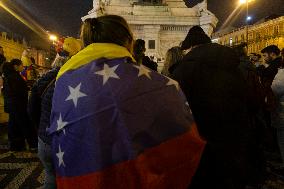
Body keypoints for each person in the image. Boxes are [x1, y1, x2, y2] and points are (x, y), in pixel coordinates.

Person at [49, 15, 205, 188]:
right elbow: (183, 145)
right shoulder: (163, 86)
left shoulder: (63, 81)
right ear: (129, 41)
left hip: (90, 178)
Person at [173, 26, 254, 189]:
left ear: (191, 47)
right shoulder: (234, 64)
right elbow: (246, 96)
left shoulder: (184, 69)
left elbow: (177, 108)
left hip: (201, 138)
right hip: (233, 134)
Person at [28, 37, 82, 189]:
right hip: (69, 142)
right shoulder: (79, 81)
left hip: (46, 141)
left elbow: (31, 110)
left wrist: (41, 130)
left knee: (51, 178)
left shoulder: (42, 80)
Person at [2, 59, 37, 151]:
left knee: (14, 124)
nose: (22, 66)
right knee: (25, 124)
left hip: (13, 105)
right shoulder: (14, 77)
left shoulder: (9, 76)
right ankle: (33, 144)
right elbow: (18, 91)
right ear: (15, 66)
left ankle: (16, 144)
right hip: (18, 105)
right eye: (21, 65)